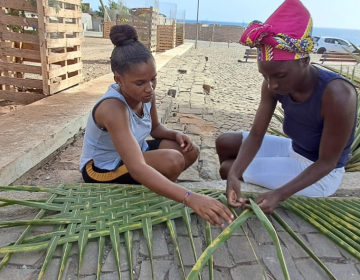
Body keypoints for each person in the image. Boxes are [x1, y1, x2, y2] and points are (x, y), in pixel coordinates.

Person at [79, 24, 234, 226]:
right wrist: (190, 197)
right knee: (172, 161)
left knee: (189, 151)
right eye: (140, 83)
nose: (149, 88)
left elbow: (155, 128)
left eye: (153, 79)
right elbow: (136, 167)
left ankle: (158, 186)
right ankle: (158, 189)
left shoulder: (146, 95)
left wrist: (175, 134)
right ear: (119, 80)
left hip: (134, 153)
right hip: (102, 168)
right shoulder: (113, 108)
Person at [216, 0, 358, 214]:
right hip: (295, 148)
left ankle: (238, 195)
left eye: (280, 76)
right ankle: (235, 187)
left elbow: (327, 163)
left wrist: (279, 194)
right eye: (265, 76)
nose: (272, 84)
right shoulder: (273, 83)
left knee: (227, 168)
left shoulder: (337, 94)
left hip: (320, 172)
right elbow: (256, 133)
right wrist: (236, 176)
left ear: (305, 61)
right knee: (225, 143)